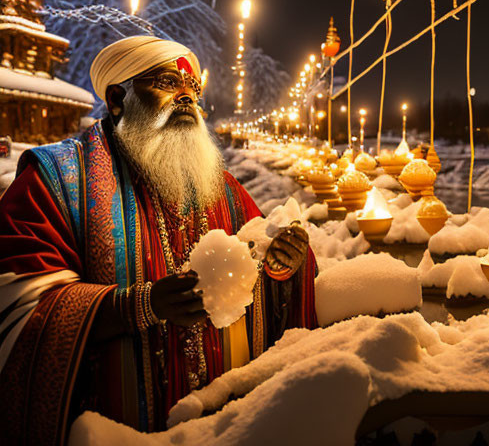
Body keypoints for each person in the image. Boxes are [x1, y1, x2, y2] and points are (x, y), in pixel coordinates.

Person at [0, 36, 317, 444]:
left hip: (222, 426)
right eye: (168, 83)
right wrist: (139, 306)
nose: (187, 98)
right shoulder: (56, 179)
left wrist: (284, 264)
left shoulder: (216, 183)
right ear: (117, 98)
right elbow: (20, 303)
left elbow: (261, 256)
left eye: (194, 90)